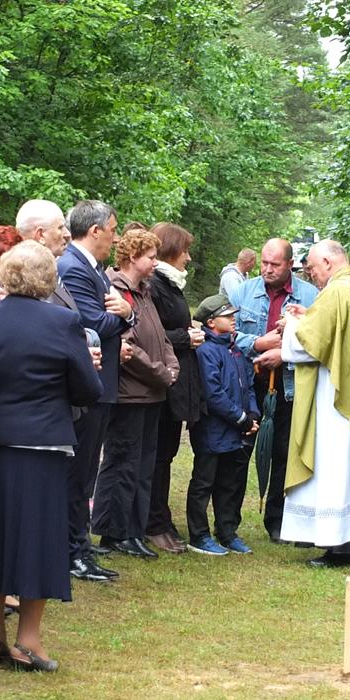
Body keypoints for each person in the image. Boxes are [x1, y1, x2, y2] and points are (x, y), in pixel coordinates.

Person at [0, 241, 101, 671]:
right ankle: (29, 641)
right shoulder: (63, 321)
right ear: (48, 278)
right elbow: (88, 389)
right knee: (37, 540)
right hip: (41, 444)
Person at [278, 240, 350, 566]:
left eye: (313, 268)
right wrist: (309, 316)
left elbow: (308, 345)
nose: (311, 274)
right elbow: (339, 332)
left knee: (336, 463)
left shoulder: (336, 292)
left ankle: (338, 543)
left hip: (337, 395)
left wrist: (291, 325)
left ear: (328, 262)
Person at [56, 200, 132, 582]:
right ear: (95, 230)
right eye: (113, 230)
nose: (116, 239)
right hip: (88, 387)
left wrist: (125, 312)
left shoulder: (95, 269)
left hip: (101, 384)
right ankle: (73, 553)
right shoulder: (73, 267)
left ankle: (79, 545)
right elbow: (91, 325)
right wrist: (125, 315)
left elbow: (110, 317)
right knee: (79, 474)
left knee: (86, 473)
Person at [92, 229, 178, 558]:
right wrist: (161, 373)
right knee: (122, 463)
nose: (156, 263)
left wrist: (171, 367)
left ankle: (133, 530)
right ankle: (114, 532)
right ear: (132, 257)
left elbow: (161, 337)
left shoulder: (145, 292)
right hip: (129, 393)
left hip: (152, 393)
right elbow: (125, 346)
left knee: (143, 465)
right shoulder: (116, 291)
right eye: (151, 257)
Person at [228, 238, 318, 542]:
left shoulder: (310, 296)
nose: (267, 269)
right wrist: (257, 343)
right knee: (239, 452)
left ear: (290, 264)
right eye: (264, 263)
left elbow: (319, 339)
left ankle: (278, 522)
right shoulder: (243, 292)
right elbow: (224, 332)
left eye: (274, 264)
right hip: (248, 383)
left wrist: (286, 350)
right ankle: (228, 523)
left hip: (289, 384)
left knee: (283, 452)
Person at [145, 223, 203, 553]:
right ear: (170, 251)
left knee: (165, 454)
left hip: (175, 381)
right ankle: (154, 522)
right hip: (162, 381)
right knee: (158, 456)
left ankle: (160, 518)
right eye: (185, 251)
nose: (189, 257)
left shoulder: (170, 284)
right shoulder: (156, 285)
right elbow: (150, 333)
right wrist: (186, 337)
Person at [185, 295, 258, 555]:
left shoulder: (236, 349)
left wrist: (253, 414)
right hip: (212, 430)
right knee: (204, 482)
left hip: (235, 430)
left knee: (230, 483)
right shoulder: (206, 351)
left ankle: (227, 532)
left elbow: (248, 385)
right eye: (227, 316)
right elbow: (213, 394)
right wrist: (241, 419)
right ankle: (199, 535)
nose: (233, 319)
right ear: (211, 322)